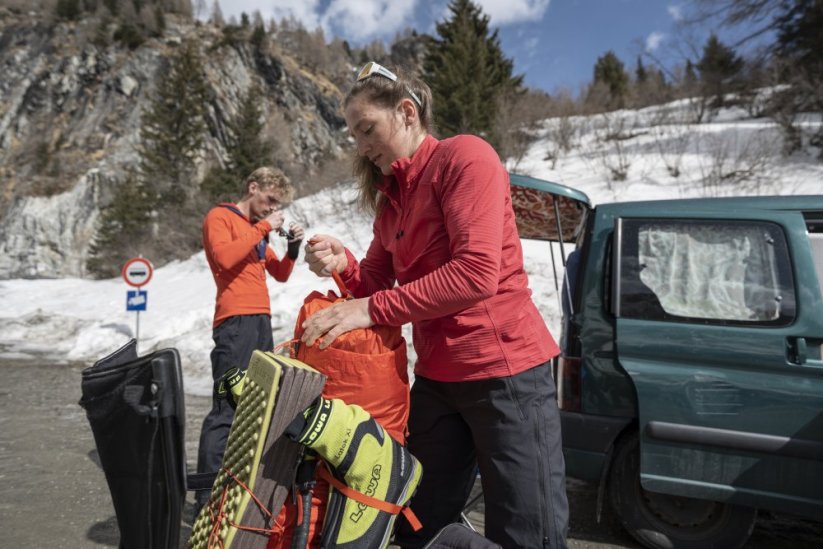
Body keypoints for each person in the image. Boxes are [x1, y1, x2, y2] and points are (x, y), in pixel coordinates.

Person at [301, 62, 569, 549]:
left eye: (368, 129)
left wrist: (369, 309)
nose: (361, 145)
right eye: (355, 136)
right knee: (413, 522)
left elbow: (475, 273)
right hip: (438, 382)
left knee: (530, 534)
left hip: (504, 372)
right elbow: (375, 283)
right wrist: (344, 262)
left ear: (406, 113)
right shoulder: (392, 202)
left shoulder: (464, 158)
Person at [194, 166, 304, 513]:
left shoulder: (258, 230)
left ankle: (236, 488)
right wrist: (264, 228)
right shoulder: (220, 216)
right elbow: (225, 259)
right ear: (252, 187)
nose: (273, 209)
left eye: (277, 205)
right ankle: (205, 499)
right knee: (226, 409)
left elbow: (281, 274)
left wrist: (293, 247)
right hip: (234, 322)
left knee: (254, 405)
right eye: (270, 200)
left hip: (260, 321)